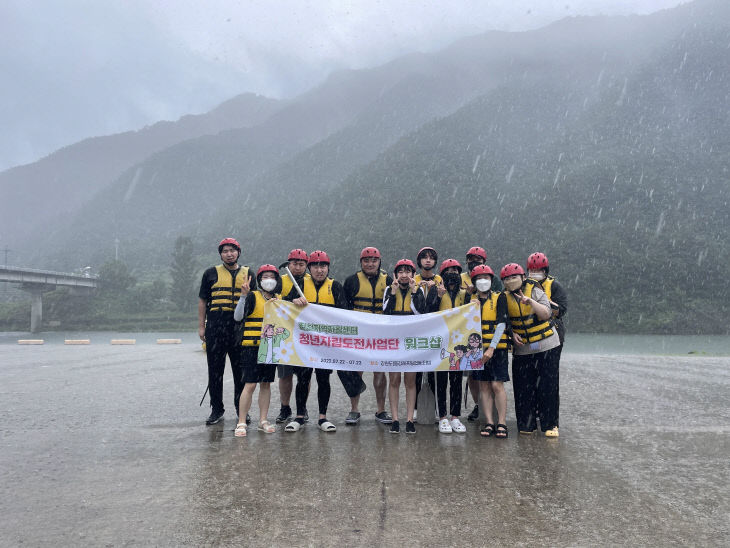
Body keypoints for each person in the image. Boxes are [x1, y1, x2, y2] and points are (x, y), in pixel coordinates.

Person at [283, 250, 361, 432]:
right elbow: (284, 305)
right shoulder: (300, 283)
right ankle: (299, 416)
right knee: (302, 379)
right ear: (310, 268)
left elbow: (343, 313)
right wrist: (293, 300)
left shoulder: (335, 286)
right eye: (316, 266)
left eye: (323, 266)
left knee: (323, 379)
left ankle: (322, 417)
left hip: (325, 344)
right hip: (304, 343)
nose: (319, 270)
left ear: (328, 268)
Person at [197, 237, 255, 425]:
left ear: (238, 252)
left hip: (239, 329)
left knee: (240, 373)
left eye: (232, 250)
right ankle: (217, 409)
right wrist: (201, 326)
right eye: (225, 251)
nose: (229, 254)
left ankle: (241, 410)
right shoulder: (210, 274)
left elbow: (255, 302)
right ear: (220, 254)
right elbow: (203, 301)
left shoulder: (248, 273)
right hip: (216, 327)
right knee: (215, 371)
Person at [500, 263, 561, 437]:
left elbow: (546, 314)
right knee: (523, 389)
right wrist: (511, 334)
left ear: (523, 277)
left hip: (546, 345)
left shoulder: (534, 290)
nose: (511, 281)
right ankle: (527, 424)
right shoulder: (504, 297)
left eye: (514, 277)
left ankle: (550, 425)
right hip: (523, 349)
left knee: (547, 386)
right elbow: (503, 320)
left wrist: (531, 302)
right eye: (507, 279)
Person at [343, 247, 393, 425]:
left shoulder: (388, 280)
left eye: (374, 260)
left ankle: (381, 410)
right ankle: (354, 409)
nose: (370, 264)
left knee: (379, 372)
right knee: (356, 372)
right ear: (361, 262)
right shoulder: (351, 281)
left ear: (379, 262)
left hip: (380, 334)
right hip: (358, 334)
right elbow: (344, 310)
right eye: (366, 260)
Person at [233, 264, 282, 437]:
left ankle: (263, 420)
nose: (268, 280)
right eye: (265, 277)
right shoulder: (252, 296)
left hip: (270, 345)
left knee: (266, 384)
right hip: (251, 346)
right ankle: (241, 421)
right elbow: (237, 316)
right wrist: (243, 296)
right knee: (250, 384)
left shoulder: (280, 299)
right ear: (259, 280)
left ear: (277, 280)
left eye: (272, 277)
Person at [382, 259, 427, 434]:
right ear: (395, 275)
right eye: (401, 272)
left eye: (408, 272)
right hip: (394, 341)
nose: (404, 275)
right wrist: (393, 292)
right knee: (394, 380)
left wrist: (415, 291)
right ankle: (395, 419)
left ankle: (409, 419)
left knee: (410, 381)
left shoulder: (419, 290)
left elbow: (419, 313)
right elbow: (387, 313)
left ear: (413, 275)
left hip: (411, 341)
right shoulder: (388, 289)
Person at [526, 252, 567, 437]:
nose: (535, 273)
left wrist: (542, 300)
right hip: (531, 340)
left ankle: (551, 421)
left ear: (545, 270)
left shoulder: (554, 285)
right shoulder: (524, 286)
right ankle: (533, 414)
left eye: (539, 270)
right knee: (532, 378)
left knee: (549, 380)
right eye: (532, 270)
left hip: (552, 339)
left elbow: (561, 310)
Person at [425, 259, 469, 434]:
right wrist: (438, 296)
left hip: (459, 342)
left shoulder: (465, 294)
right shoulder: (434, 290)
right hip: (440, 342)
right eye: (448, 271)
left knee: (457, 381)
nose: (452, 274)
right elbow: (428, 313)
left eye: (455, 271)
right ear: (442, 275)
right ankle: (442, 416)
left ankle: (455, 416)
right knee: (440, 381)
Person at [460, 245, 502, 422]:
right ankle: (479, 405)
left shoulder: (494, 279)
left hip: (489, 335)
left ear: (484, 261)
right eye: (470, 259)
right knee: (472, 376)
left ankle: (492, 409)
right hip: (470, 336)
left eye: (477, 259)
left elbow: (499, 303)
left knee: (492, 379)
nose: (473, 262)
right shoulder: (459, 277)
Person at [469, 265, 511, 439]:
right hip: (478, 349)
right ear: (474, 282)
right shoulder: (470, 300)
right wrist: (471, 309)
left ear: (491, 280)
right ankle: (489, 422)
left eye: (486, 277)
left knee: (497, 385)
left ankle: (502, 422)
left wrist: (492, 347)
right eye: (479, 278)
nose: (483, 281)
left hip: (497, 349)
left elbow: (501, 323)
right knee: (484, 386)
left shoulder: (499, 297)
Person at [275, 249, 311, 425]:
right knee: (285, 375)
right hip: (285, 336)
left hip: (305, 337)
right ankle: (285, 407)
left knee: (305, 376)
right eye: (294, 264)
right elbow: (274, 303)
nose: (297, 267)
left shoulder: (312, 282)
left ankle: (302, 408)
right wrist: (291, 302)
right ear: (288, 264)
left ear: (306, 266)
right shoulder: (279, 282)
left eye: (301, 264)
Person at [413, 246, 441, 420]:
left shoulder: (440, 280)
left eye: (431, 257)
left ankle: (437, 408)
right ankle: (415, 407)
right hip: (416, 330)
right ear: (420, 261)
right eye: (425, 257)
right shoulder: (412, 280)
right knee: (416, 370)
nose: (428, 260)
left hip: (435, 330)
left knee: (433, 371)